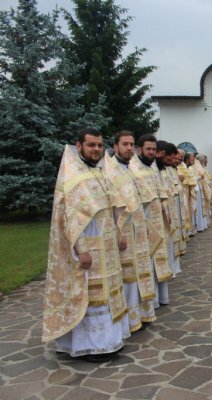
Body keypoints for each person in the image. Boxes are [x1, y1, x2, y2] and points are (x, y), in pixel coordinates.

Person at [42, 128, 129, 362]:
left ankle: (108, 341)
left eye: (100, 146)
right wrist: (82, 250)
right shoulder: (72, 175)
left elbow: (112, 205)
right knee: (90, 296)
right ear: (78, 146)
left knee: (106, 294)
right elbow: (71, 218)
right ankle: (90, 346)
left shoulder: (98, 172)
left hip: (106, 243)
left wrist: (118, 232)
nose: (97, 150)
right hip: (88, 247)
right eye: (91, 145)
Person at [103, 130, 157, 334]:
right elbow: (112, 205)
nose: (129, 148)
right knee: (126, 277)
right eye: (124, 144)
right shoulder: (110, 171)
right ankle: (127, 320)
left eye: (131, 144)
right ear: (116, 146)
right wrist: (118, 232)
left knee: (137, 273)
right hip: (123, 232)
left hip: (137, 229)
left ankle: (139, 314)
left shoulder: (129, 169)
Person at [129, 134, 173, 308]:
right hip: (143, 222)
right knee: (146, 261)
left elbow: (158, 191)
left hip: (156, 219)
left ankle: (157, 298)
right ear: (139, 149)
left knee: (156, 259)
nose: (151, 152)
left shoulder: (151, 167)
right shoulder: (134, 168)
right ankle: (149, 302)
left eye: (154, 149)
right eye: (148, 149)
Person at [156, 141, 182, 278]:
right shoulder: (155, 169)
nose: (172, 161)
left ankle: (171, 267)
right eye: (170, 158)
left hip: (168, 207)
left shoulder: (164, 169)